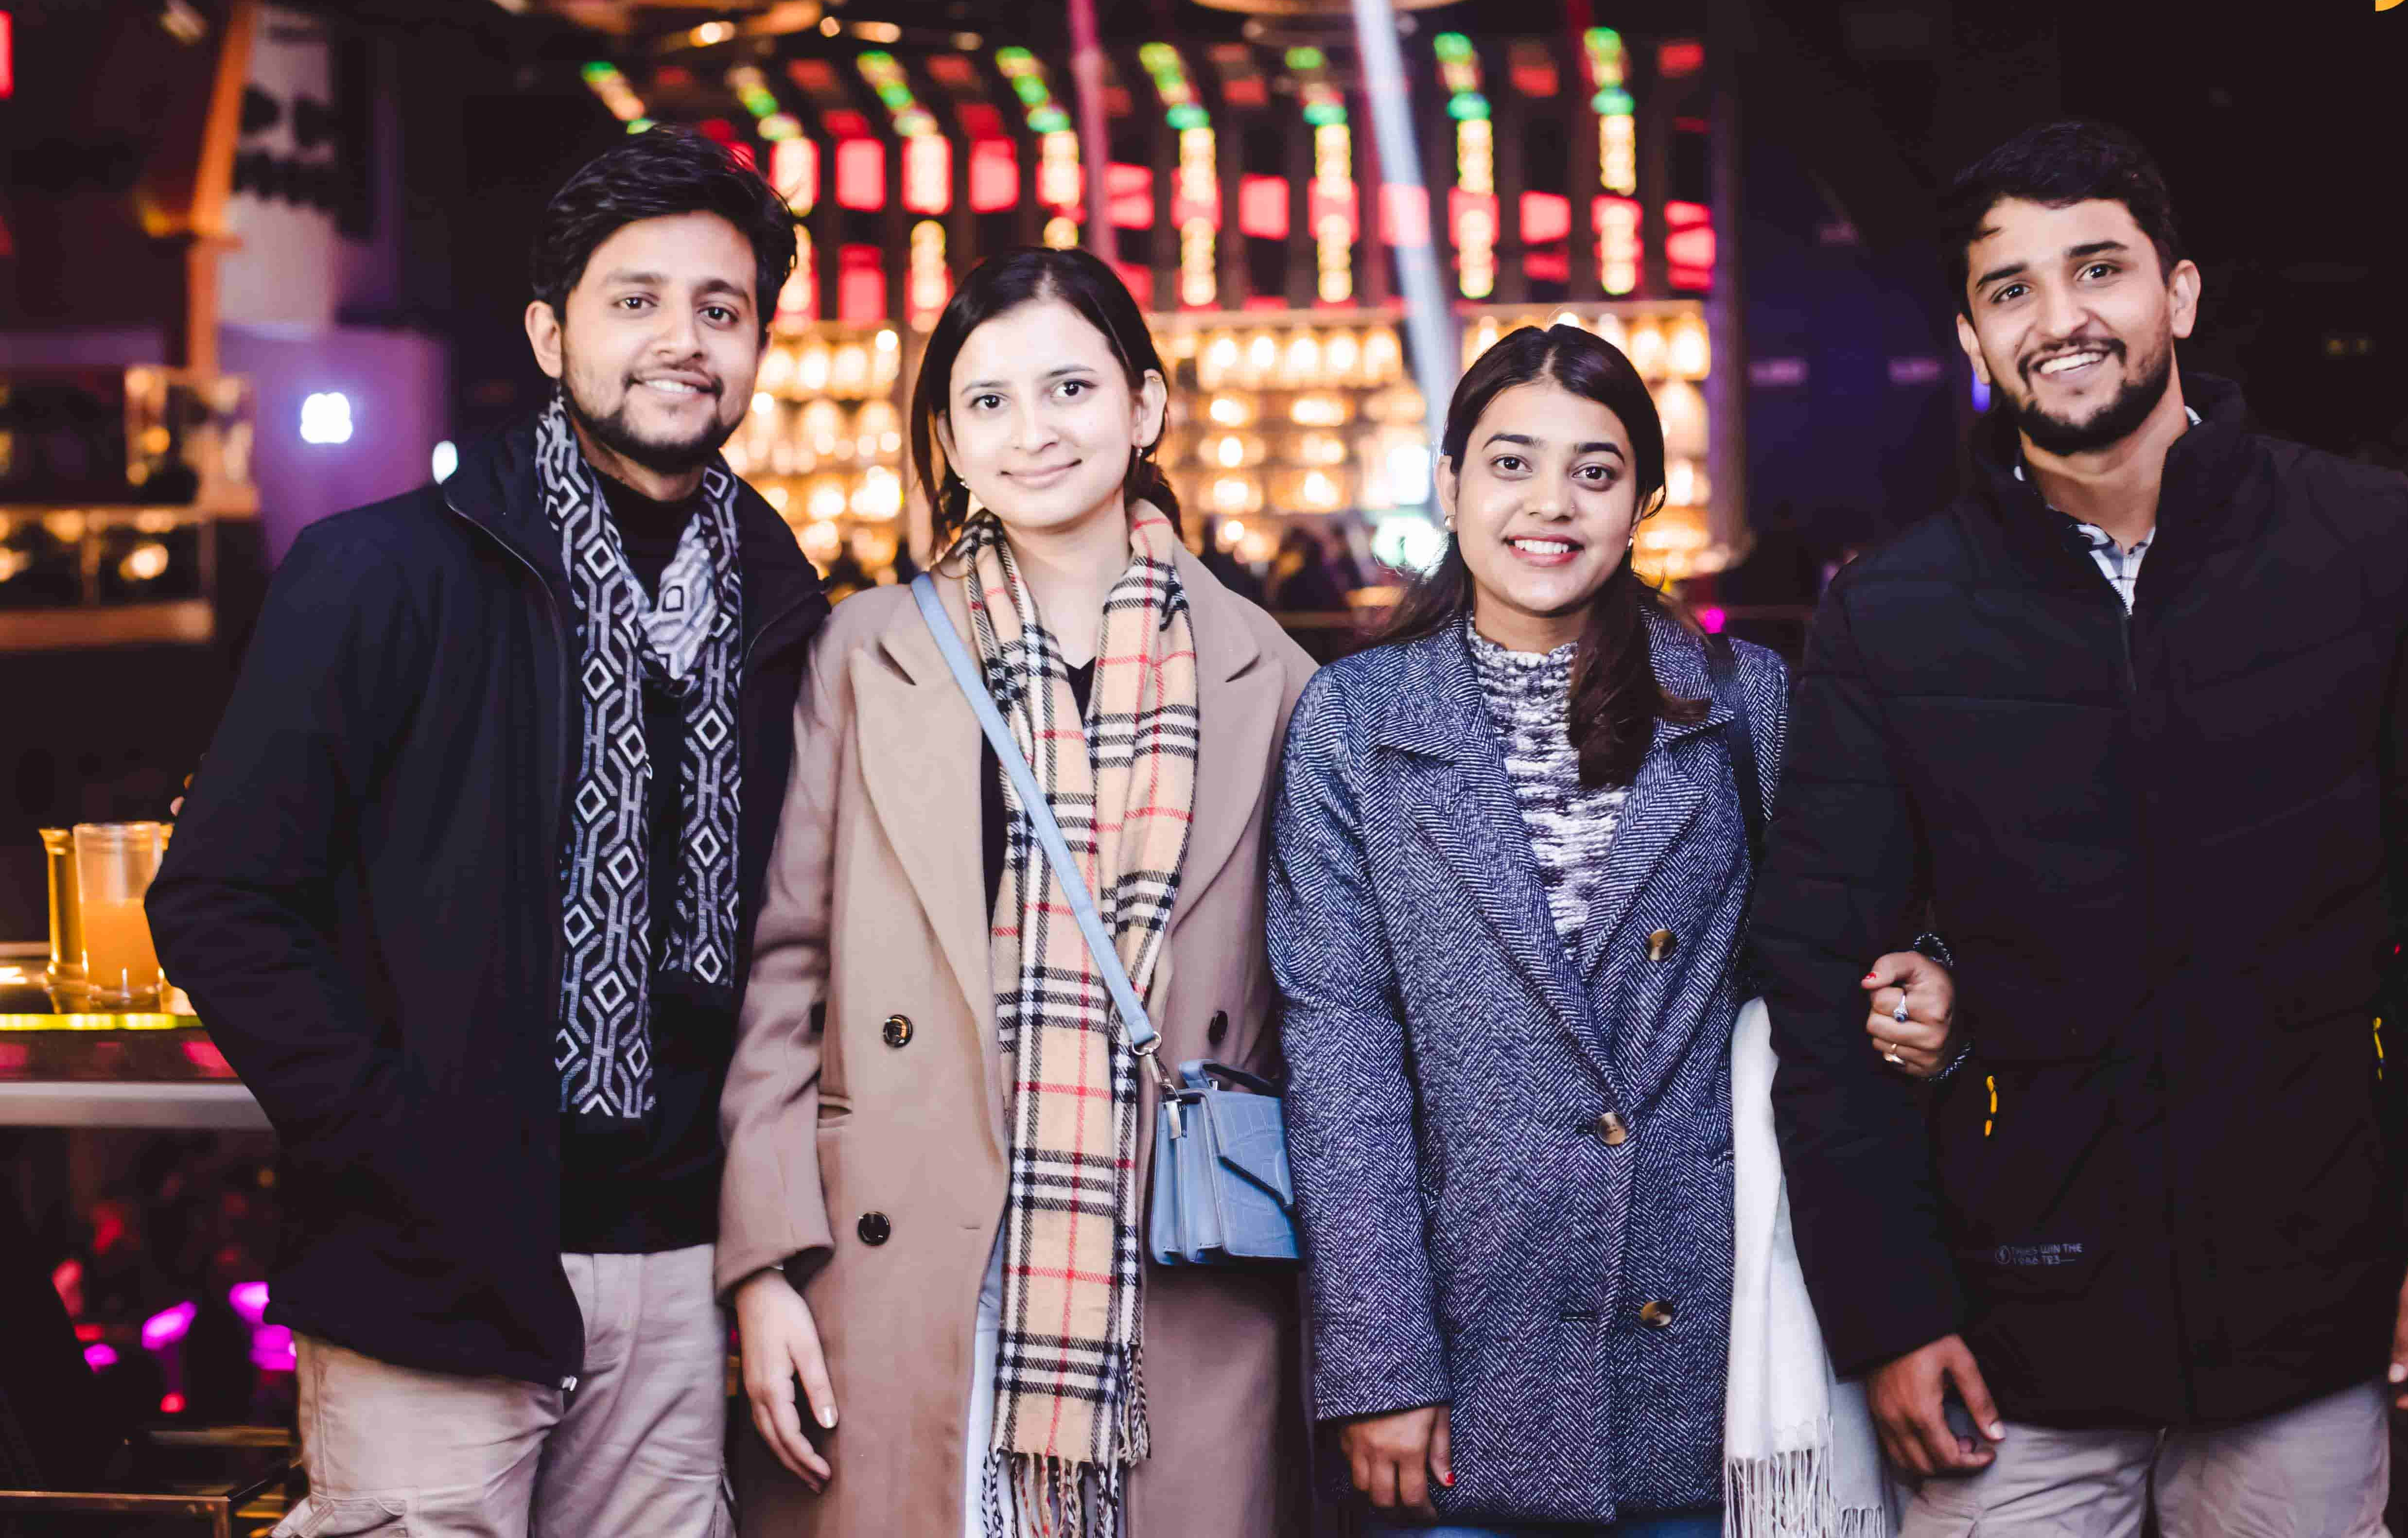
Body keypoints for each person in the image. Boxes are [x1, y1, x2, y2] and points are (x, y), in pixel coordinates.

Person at [1745, 119, 2408, 1536]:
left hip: (2313, 1309)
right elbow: (1822, 980)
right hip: (2006, 1339)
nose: (2060, 318)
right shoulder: (1893, 613)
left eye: (2099, 269)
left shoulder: (2373, 547)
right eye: (2012, 289)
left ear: (2177, 294)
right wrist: (1891, 1312)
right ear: (1973, 338)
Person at [146, 125, 826, 1537]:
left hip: (682, 1269)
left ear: (759, 345)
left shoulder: (783, 608)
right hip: (429, 1266)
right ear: (549, 334)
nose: (683, 340)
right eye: (635, 301)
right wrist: (396, 1141)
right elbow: (221, 898)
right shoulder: (384, 573)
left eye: (722, 309)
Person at [1267, 324, 1954, 1537]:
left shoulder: (1741, 700)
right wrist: (1380, 1368)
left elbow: (1858, 938)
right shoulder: (1353, 723)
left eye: (1595, 471)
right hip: (1463, 1345)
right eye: (1511, 464)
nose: (1551, 503)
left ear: (1643, 502)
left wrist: (1927, 987)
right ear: (1450, 485)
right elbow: (1341, 1062)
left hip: (1709, 1336)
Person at [718, 246, 1315, 1538]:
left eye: (1069, 389)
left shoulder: (1269, 674)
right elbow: (783, 977)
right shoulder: (868, 651)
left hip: (1174, 1267)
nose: (1032, 432)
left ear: (1145, 407)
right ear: (947, 437)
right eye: (987, 401)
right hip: (897, 1263)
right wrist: (762, 1269)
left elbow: (1321, 1013)